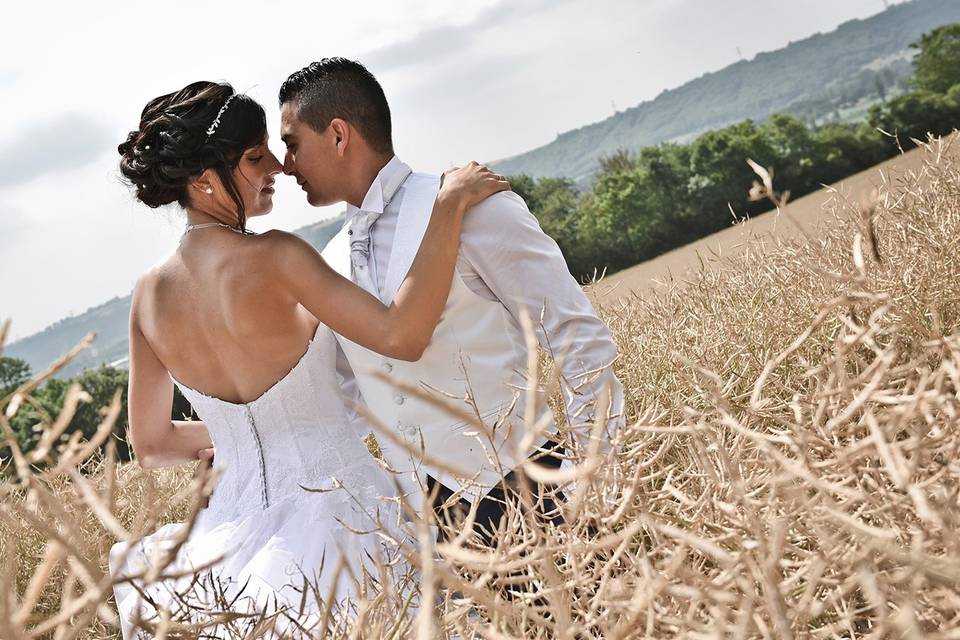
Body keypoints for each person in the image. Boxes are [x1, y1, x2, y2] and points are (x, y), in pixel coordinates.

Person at [108, 80, 508, 638]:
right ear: (202, 180)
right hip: (343, 513)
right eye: (254, 156)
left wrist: (240, 435)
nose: (277, 164)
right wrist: (446, 207)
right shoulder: (277, 257)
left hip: (227, 541)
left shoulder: (147, 296)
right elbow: (401, 334)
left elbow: (150, 444)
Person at [278, 58, 625, 545]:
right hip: (431, 532)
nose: (285, 165)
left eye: (292, 145)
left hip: (536, 491)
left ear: (338, 135)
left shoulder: (477, 208)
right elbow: (349, 399)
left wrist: (596, 477)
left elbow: (576, 335)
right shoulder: (330, 262)